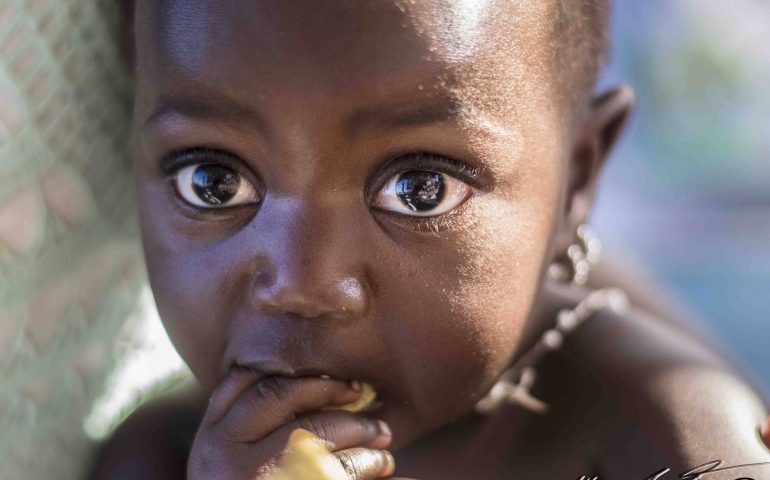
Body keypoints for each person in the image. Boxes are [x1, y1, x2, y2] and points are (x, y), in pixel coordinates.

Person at [92, 1, 770, 479]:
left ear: (577, 180)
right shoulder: (158, 458)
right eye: (213, 182)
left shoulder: (656, 427)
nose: (303, 282)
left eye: (421, 189)